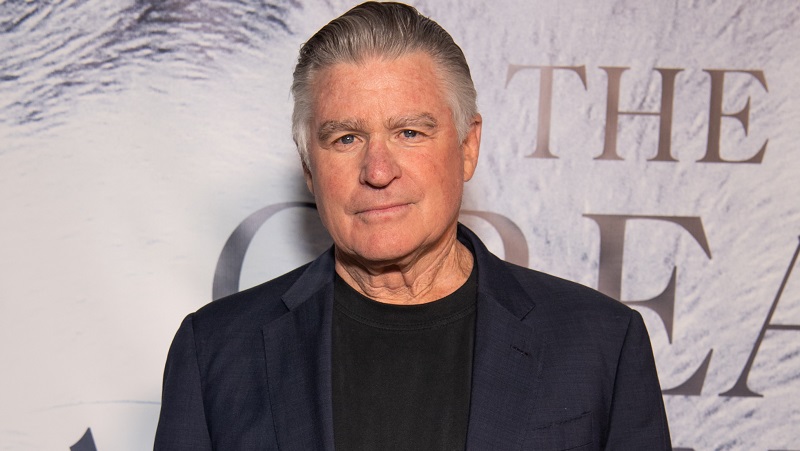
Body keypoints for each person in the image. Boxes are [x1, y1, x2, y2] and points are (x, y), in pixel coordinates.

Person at [154, 2, 672, 450]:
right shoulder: (216, 351)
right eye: (346, 139)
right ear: (309, 166)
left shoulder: (600, 342)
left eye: (409, 132)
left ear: (467, 147)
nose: (378, 171)